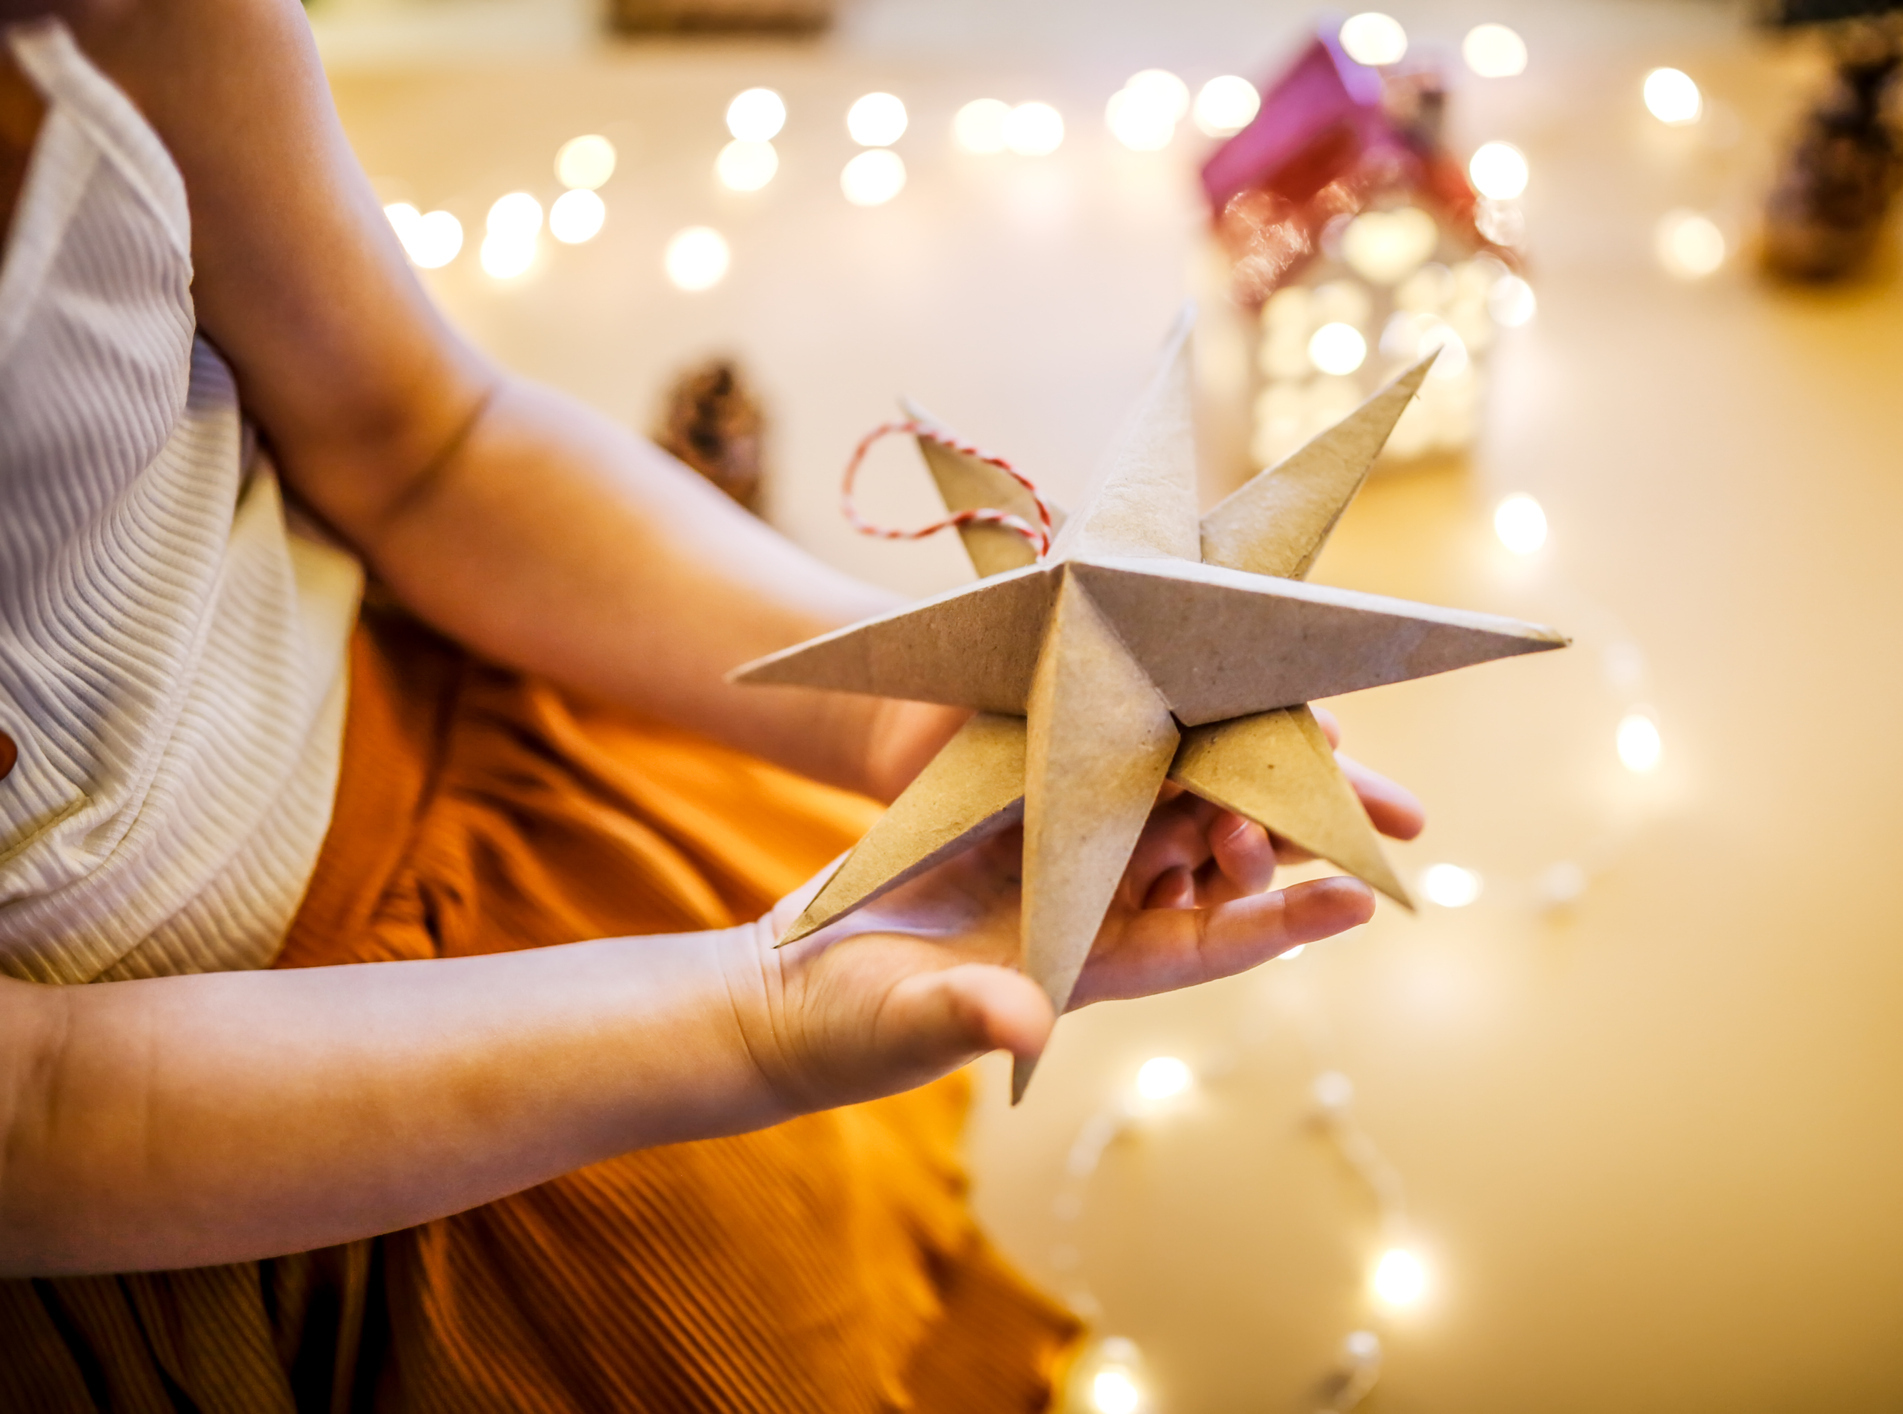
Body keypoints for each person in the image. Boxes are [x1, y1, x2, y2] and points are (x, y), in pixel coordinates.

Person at [0, 0, 1424, 1407]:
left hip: (435, 746)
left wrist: (891, 712)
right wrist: (749, 1017)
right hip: (157, 1182)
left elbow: (422, 440)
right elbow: (44, 1102)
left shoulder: (127, 23)